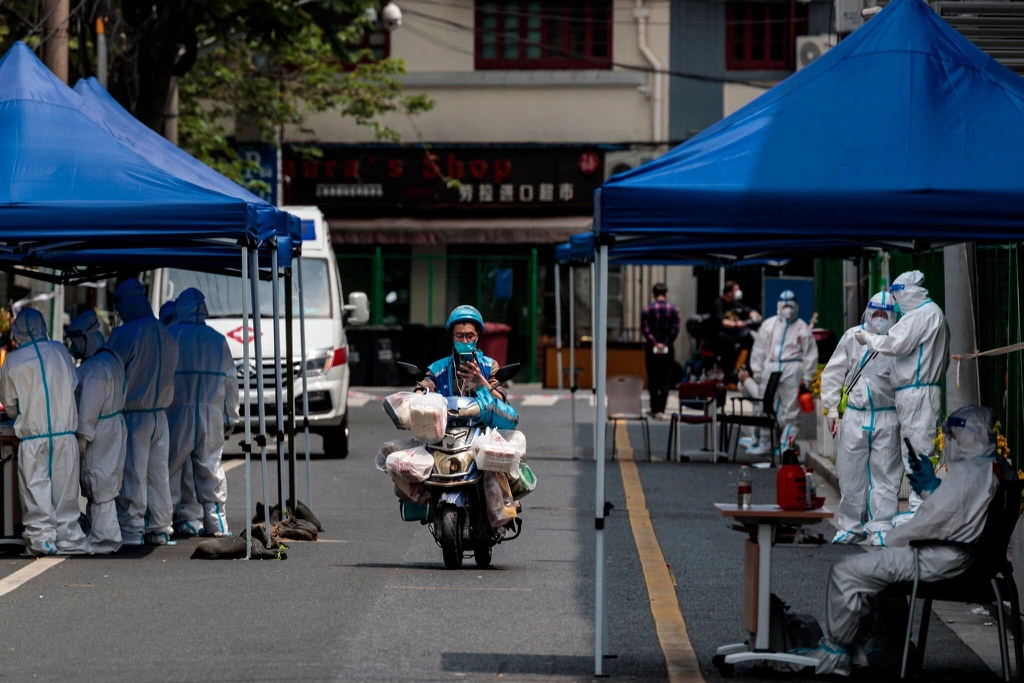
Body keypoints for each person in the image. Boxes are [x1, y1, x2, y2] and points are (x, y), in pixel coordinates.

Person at [802, 405, 1009, 675]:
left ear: (969, 436)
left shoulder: (970, 473)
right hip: (956, 555)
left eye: (955, 436)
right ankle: (876, 651)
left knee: (845, 573)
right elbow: (956, 513)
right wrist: (930, 488)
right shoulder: (988, 468)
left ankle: (837, 653)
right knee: (872, 575)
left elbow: (933, 521)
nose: (951, 442)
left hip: (940, 556)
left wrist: (894, 536)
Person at [854, 270, 950, 518]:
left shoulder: (921, 316)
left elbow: (894, 344)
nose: (895, 301)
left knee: (917, 452)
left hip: (916, 392)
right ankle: (920, 511)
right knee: (918, 449)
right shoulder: (933, 313)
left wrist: (869, 339)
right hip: (922, 391)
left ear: (908, 291)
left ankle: (919, 513)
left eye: (897, 295)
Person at [0, 308, 88, 555]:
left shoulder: (13, 361)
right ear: (42, 326)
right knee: (66, 493)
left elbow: (9, 406)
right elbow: (73, 385)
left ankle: (42, 541)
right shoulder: (60, 351)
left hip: (33, 436)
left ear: (17, 333)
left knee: (35, 490)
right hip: (64, 434)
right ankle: (69, 538)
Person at [820, 292, 901, 546]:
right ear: (867, 312)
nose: (879, 319)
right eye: (875, 313)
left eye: (884, 314)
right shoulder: (852, 337)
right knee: (850, 472)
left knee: (886, 473)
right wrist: (831, 408)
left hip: (887, 415)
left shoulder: (898, 340)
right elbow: (834, 371)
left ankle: (882, 526)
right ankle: (850, 526)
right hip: (856, 413)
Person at [107, 278, 179, 546]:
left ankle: (131, 528)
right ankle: (160, 526)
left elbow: (109, 371)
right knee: (158, 474)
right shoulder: (165, 333)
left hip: (133, 414)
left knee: (133, 472)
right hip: (160, 415)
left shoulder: (126, 334)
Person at [166, 288, 238, 537]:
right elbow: (231, 380)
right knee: (210, 467)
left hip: (176, 412)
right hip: (211, 413)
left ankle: (164, 525)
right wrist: (231, 414)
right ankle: (217, 524)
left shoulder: (171, 336)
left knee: (171, 468)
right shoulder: (217, 340)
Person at [65, 310, 127, 554]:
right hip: (113, 428)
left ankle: (105, 539)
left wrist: (81, 438)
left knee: (98, 482)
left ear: (85, 338)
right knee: (105, 483)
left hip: (100, 432)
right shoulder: (111, 359)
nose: (73, 347)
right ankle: (100, 533)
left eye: (75, 341)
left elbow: (88, 410)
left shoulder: (95, 369)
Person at [417, 305, 518, 429]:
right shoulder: (438, 368)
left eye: (470, 336)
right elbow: (423, 387)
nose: (465, 341)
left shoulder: (490, 366)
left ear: (478, 337)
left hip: (482, 436)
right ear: (451, 337)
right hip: (445, 433)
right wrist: (416, 396)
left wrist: (480, 381)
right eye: (459, 336)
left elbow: (501, 400)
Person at [748, 290, 818, 455]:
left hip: (792, 370)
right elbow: (759, 349)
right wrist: (757, 369)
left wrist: (807, 378)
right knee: (766, 405)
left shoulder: (801, 328)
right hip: (771, 367)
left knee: (792, 410)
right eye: (785, 305)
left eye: (790, 305)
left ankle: (786, 446)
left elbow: (810, 354)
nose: (788, 308)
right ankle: (766, 443)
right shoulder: (769, 324)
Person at [641, 283, 681, 421]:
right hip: (668, 348)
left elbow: (645, 330)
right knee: (665, 379)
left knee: (652, 379)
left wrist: (654, 343)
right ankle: (661, 410)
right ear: (666, 293)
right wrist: (665, 343)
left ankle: (654, 408)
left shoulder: (647, 310)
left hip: (651, 349)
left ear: (653, 293)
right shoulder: (673, 310)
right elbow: (675, 329)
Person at [711, 281, 761, 379]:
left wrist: (753, 314)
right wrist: (735, 324)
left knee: (751, 339)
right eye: (735, 290)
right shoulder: (718, 303)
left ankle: (747, 366)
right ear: (729, 292)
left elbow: (746, 310)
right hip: (723, 335)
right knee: (731, 345)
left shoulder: (734, 303)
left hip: (735, 334)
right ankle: (730, 371)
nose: (738, 292)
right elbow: (722, 321)